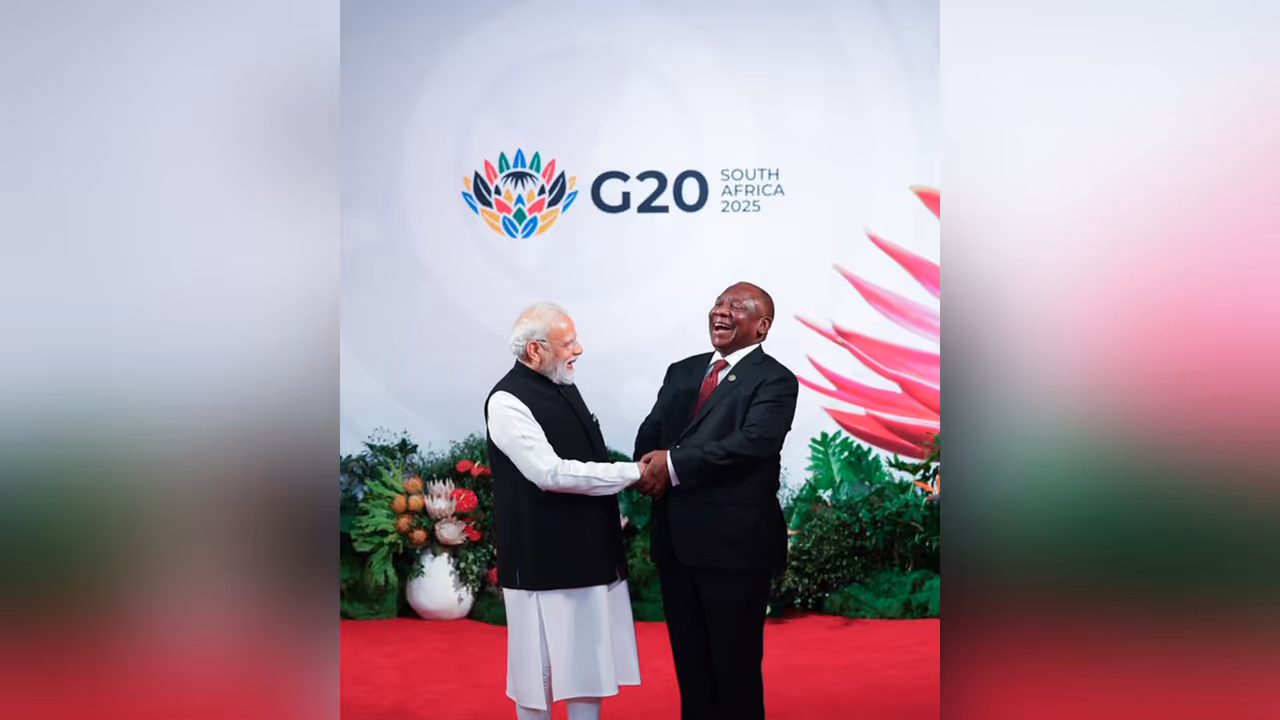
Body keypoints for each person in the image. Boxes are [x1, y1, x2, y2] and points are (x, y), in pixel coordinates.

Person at [633, 282, 798, 720]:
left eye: (737, 307)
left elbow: (754, 443)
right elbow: (652, 432)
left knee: (735, 670)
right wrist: (646, 467)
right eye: (719, 303)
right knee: (692, 670)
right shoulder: (682, 371)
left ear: (762, 326)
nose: (721, 312)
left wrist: (672, 465)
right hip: (676, 545)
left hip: (735, 549)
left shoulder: (776, 380)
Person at [485, 302, 647, 720]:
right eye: (569, 342)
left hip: (590, 554)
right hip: (541, 562)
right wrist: (632, 473)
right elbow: (548, 473)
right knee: (534, 678)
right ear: (537, 350)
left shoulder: (562, 382)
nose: (579, 349)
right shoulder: (506, 401)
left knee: (587, 672)